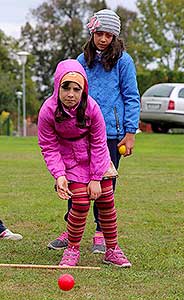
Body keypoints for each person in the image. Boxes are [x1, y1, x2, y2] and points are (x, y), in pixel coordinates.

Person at [48, 9, 140, 254]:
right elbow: (67, 89)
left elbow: (131, 97)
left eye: (109, 35)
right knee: (76, 181)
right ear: (92, 33)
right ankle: (71, 229)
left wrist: (130, 131)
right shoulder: (80, 60)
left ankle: (101, 231)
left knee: (105, 185)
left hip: (111, 132)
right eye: (99, 33)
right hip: (79, 131)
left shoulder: (124, 61)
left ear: (115, 37)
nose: (103, 39)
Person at [38, 58, 131, 267]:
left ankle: (112, 249)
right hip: (69, 159)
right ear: (57, 86)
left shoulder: (92, 108)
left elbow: (99, 143)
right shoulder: (47, 110)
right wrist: (59, 175)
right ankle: (72, 250)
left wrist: (96, 178)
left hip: (96, 156)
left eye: (76, 89)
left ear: (83, 89)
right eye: (66, 88)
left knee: (106, 200)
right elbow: (48, 146)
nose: (71, 94)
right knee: (79, 203)